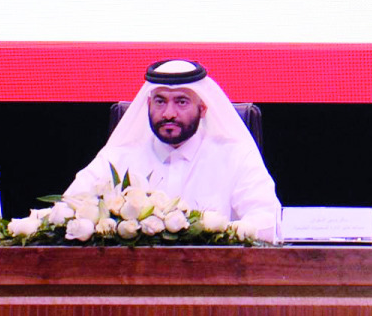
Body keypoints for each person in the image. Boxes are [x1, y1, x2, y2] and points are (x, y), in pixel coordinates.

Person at [66, 59, 281, 239]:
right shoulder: (118, 156)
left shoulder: (236, 155)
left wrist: (213, 233)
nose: (169, 113)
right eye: (160, 101)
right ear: (148, 105)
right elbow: (68, 209)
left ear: (203, 108)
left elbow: (268, 221)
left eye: (181, 102)